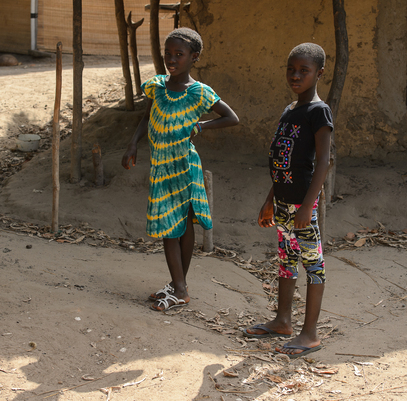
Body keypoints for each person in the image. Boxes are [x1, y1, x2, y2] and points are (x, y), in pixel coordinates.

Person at [122, 27, 239, 312]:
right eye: (168, 54)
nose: (171, 59)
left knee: (174, 228)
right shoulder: (157, 86)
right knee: (176, 226)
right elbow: (147, 117)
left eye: (179, 54)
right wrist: (133, 144)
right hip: (161, 166)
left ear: (194, 57)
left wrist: (201, 126)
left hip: (184, 167)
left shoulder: (199, 93)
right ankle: (178, 285)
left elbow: (231, 117)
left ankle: (181, 289)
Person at [244, 43, 333, 358]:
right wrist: (271, 198)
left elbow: (323, 162)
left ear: (319, 73)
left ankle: (309, 334)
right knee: (286, 263)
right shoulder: (289, 110)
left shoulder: (318, 111)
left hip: (301, 207)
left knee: (313, 266)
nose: (296, 76)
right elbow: (282, 162)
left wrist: (308, 207)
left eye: (304, 71)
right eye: (291, 69)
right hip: (282, 204)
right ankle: (283, 321)